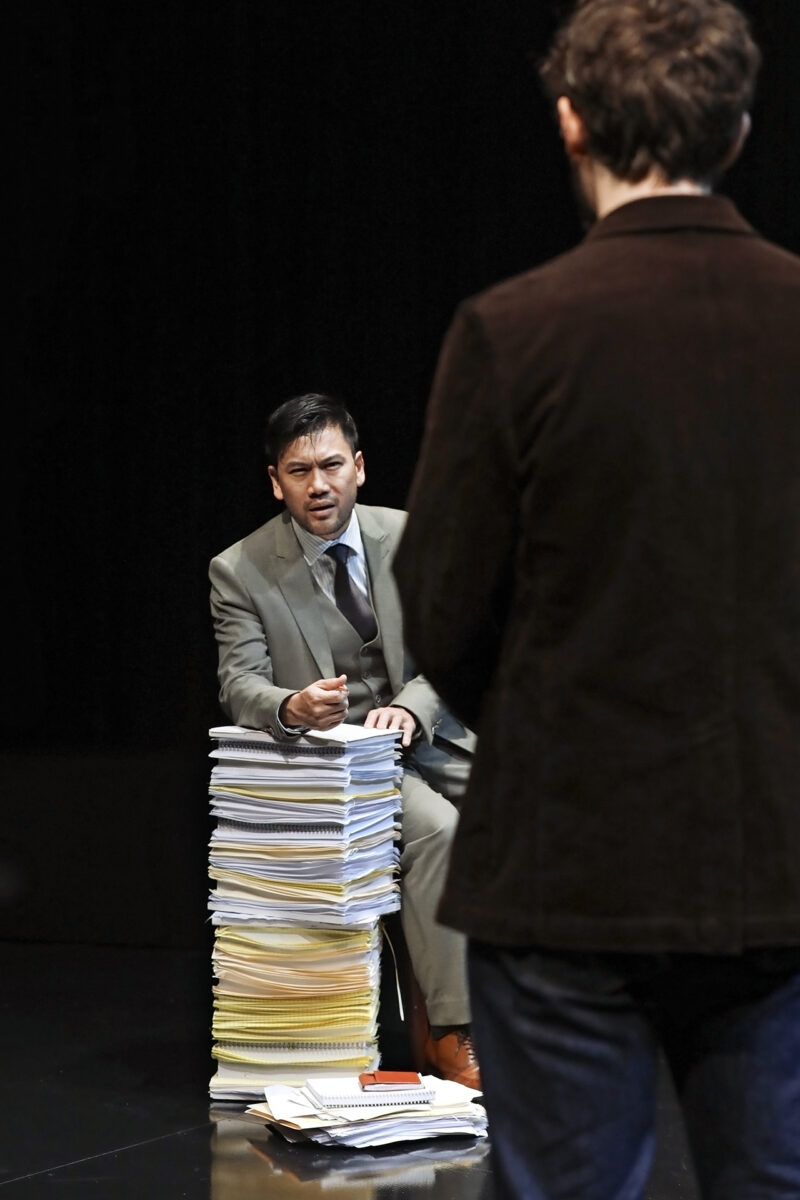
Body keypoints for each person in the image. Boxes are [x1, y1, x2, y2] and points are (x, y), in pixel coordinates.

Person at [393, 1, 800, 1196]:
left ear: (569, 123)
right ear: (733, 130)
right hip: (778, 863)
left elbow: (446, 610)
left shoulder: (512, 333)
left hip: (566, 872)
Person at [208, 392, 480, 1088]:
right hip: (337, 767)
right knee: (438, 831)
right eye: (299, 471)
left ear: (359, 467)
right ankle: (452, 1032)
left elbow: (451, 651)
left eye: (331, 465)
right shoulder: (239, 569)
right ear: (276, 481)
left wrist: (414, 710)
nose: (318, 485)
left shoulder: (410, 536)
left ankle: (549, 1023)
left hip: (430, 739)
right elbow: (240, 683)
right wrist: (292, 706)